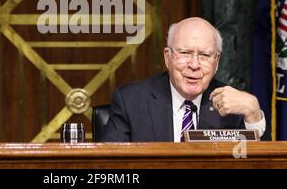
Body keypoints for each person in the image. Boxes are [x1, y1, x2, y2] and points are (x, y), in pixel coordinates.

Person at [102, 17, 269, 142]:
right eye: (185, 53)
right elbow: (108, 167)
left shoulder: (234, 109)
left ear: (216, 62)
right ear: (168, 58)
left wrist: (253, 114)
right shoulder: (131, 102)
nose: (194, 65)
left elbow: (260, 165)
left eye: (204, 55)